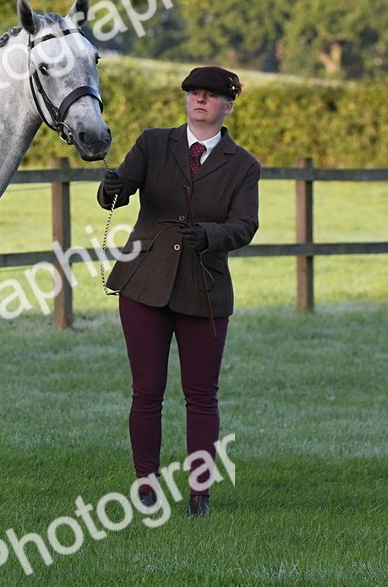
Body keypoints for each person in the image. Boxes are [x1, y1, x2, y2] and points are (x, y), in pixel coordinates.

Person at [97, 65, 260, 518]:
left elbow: (245, 225)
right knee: (146, 391)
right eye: (193, 93)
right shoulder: (153, 142)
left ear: (228, 105)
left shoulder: (244, 165)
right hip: (143, 281)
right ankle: (145, 486)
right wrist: (110, 189)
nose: (199, 100)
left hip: (203, 288)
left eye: (210, 95)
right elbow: (119, 193)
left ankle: (199, 493)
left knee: (202, 394)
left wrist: (209, 235)